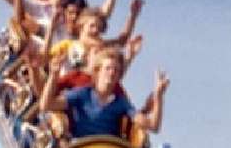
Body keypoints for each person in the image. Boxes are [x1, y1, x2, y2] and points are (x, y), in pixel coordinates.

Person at [39, 46, 168, 140]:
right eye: (108, 68)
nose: (111, 73)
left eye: (116, 70)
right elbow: (46, 105)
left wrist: (158, 96)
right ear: (98, 72)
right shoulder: (82, 94)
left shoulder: (121, 103)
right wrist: (53, 75)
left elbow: (153, 126)